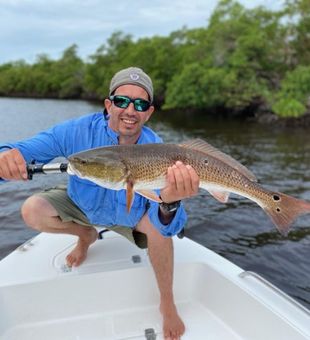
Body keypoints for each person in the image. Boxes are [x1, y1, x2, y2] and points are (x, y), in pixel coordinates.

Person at [0, 67, 199, 340]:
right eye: (121, 101)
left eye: (140, 104)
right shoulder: (76, 131)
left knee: (159, 231)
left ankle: (167, 301)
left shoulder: (158, 149)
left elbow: (169, 225)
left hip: (131, 215)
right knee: (32, 210)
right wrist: (6, 159)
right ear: (108, 105)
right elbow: (20, 149)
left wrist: (170, 203)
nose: (130, 110)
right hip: (82, 205)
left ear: (149, 112)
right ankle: (85, 235)